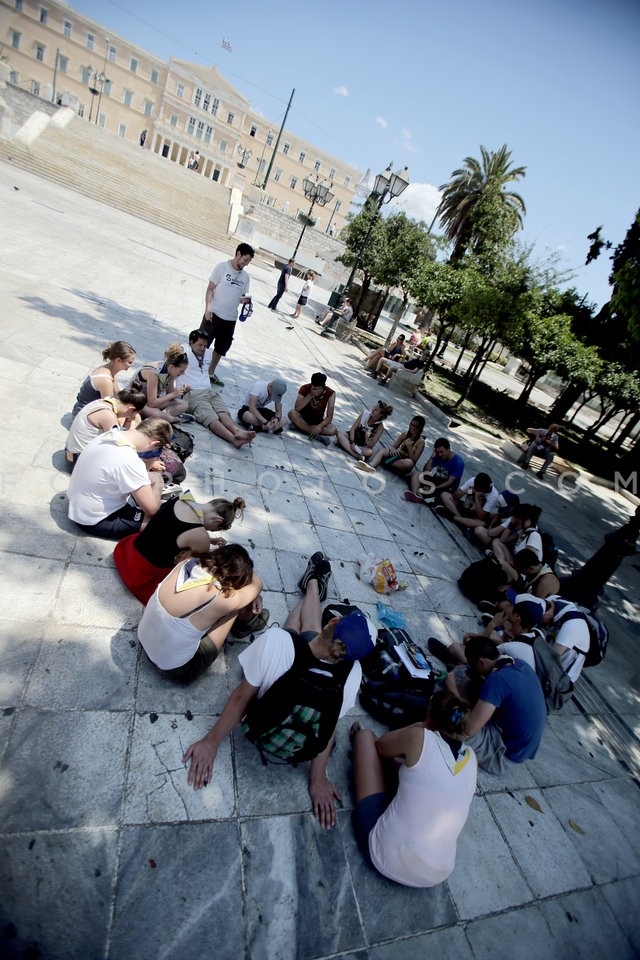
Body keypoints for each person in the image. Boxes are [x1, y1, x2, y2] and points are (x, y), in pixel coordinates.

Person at [182, 555, 376, 828]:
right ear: (355, 659)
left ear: (331, 623)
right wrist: (317, 779)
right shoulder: (352, 674)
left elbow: (241, 697)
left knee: (300, 631)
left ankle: (311, 586)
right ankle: (312, 586)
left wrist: (210, 742)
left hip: (259, 728)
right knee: (300, 633)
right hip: (299, 748)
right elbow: (329, 727)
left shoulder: (278, 642)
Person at [350, 690, 476, 887]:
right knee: (407, 770)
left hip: (384, 856)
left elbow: (381, 746)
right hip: (436, 875)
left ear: (429, 717)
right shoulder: (471, 759)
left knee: (366, 738)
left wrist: (420, 727)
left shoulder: (420, 736)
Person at [138, 545, 262, 684]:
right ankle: (247, 624)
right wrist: (247, 576)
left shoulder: (186, 562)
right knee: (236, 608)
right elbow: (257, 585)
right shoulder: (221, 600)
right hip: (175, 669)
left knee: (209, 612)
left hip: (144, 640)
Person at [113, 491, 246, 604]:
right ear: (217, 521)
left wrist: (209, 540)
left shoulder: (180, 498)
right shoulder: (201, 536)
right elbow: (198, 565)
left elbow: (170, 530)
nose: (209, 531)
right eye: (213, 530)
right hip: (141, 573)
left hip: (130, 550)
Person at [448, 636, 547, 774]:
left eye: (472, 665)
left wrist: (452, 689)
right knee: (470, 686)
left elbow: (468, 730)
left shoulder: (497, 681)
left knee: (449, 715)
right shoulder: (519, 664)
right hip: (518, 748)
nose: (470, 668)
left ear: (482, 662)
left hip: (501, 757)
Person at [67, 419, 172, 539]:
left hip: (76, 503)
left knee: (157, 478)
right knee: (160, 522)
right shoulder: (129, 460)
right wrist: (153, 508)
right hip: (93, 519)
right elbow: (152, 511)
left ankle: (143, 501)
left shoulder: (111, 434)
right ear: (154, 443)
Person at [177, 330, 255, 448]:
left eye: (205, 345)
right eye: (200, 345)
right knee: (210, 417)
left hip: (209, 391)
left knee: (223, 412)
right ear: (191, 343)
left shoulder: (207, 353)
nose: (203, 348)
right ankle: (233, 439)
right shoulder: (185, 350)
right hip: (193, 393)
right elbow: (174, 353)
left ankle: (237, 431)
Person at [201, 243, 255, 385]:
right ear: (238, 254)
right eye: (245, 260)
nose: (246, 264)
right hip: (214, 314)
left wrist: (246, 301)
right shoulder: (222, 267)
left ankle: (210, 373)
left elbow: (242, 297)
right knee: (201, 343)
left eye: (249, 261)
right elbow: (210, 289)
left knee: (221, 348)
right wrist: (208, 309)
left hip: (230, 319)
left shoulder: (245, 277)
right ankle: (194, 370)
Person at [64, 388, 146, 469]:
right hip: (79, 462)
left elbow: (120, 435)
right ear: (131, 409)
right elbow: (119, 445)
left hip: (71, 454)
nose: (133, 416)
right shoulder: (108, 416)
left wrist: (128, 419)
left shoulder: (104, 402)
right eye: (134, 414)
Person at [72, 341, 136, 416]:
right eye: (130, 362)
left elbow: (117, 396)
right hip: (83, 415)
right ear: (118, 360)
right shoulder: (106, 380)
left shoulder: (111, 371)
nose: (132, 365)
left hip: (87, 410)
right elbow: (107, 408)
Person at [132, 343, 192, 423]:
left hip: (148, 403)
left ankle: (164, 417)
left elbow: (171, 396)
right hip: (136, 401)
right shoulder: (154, 372)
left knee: (184, 404)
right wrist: (173, 394)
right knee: (156, 413)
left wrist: (181, 392)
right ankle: (175, 419)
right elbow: (152, 403)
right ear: (172, 367)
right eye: (181, 371)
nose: (183, 373)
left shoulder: (170, 371)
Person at [360, 415, 426, 477]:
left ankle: (384, 461)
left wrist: (410, 448)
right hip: (397, 458)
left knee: (409, 463)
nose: (413, 428)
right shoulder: (405, 434)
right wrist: (393, 449)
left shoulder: (421, 442)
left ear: (420, 429)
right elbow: (393, 447)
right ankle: (371, 465)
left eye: (416, 427)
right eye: (412, 425)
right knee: (382, 450)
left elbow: (414, 460)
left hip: (404, 463)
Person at [403, 437, 465, 502]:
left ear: (449, 449)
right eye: (438, 452)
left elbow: (450, 482)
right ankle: (415, 494)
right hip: (435, 482)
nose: (440, 454)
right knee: (416, 474)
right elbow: (426, 471)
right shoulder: (438, 455)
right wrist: (432, 457)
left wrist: (433, 487)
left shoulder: (458, 462)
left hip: (446, 488)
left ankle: (419, 492)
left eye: (442, 452)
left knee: (415, 482)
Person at [288, 371, 337, 445]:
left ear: (322, 388)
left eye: (316, 388)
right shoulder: (305, 388)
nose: (313, 389)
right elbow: (297, 408)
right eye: (312, 386)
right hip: (303, 417)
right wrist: (310, 394)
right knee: (291, 413)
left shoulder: (330, 393)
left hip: (317, 421)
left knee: (333, 430)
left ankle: (300, 427)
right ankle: (312, 433)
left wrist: (319, 427)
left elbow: (329, 417)